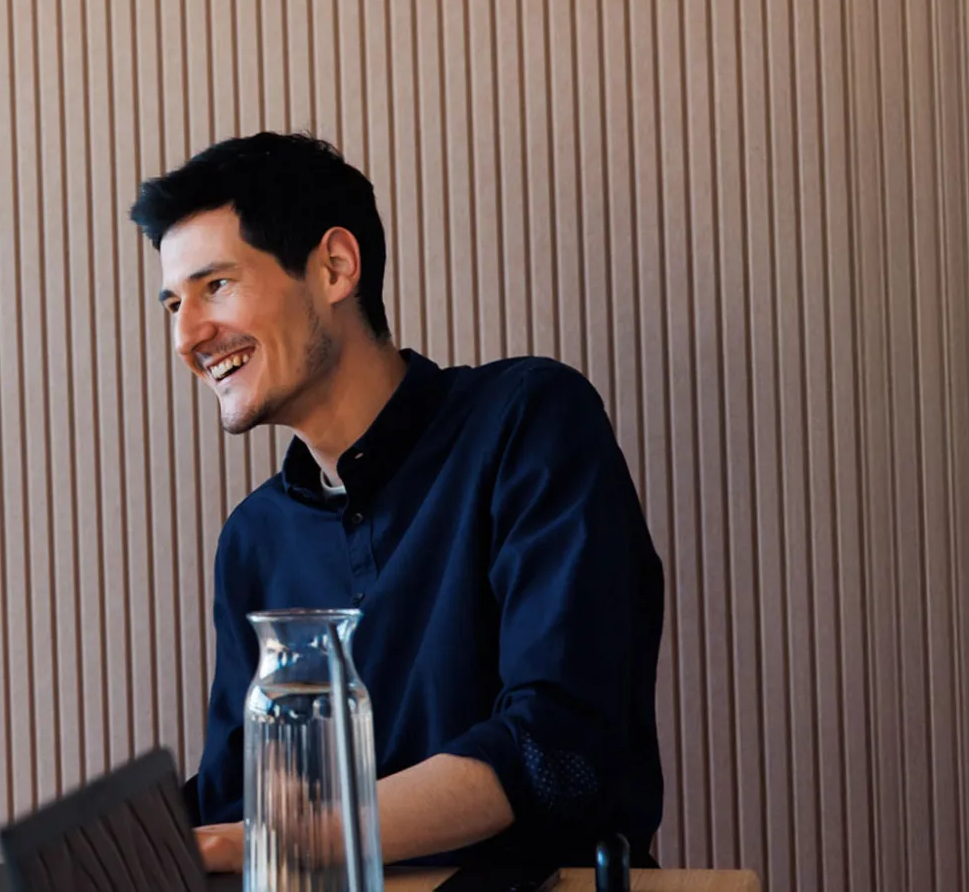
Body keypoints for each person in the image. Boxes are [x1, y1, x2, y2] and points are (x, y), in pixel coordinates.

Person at [129, 132, 665, 869]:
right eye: (173, 303)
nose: (187, 336)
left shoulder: (528, 422)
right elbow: (233, 798)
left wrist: (270, 839)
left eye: (215, 285)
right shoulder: (254, 539)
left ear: (335, 267)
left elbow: (556, 750)